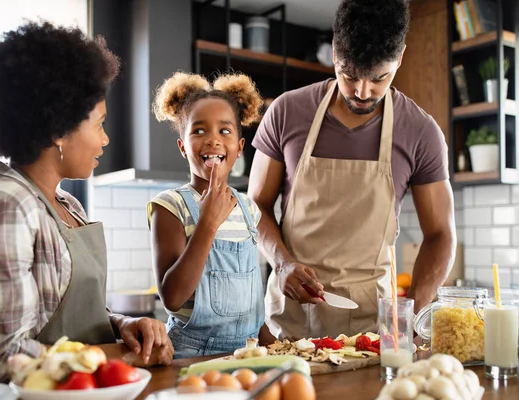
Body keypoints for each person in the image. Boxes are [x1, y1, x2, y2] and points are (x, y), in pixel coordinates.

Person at [0, 21, 173, 382]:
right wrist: (119, 358)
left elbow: (77, 319)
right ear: (59, 129)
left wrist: (122, 324)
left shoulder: (68, 206)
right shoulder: (5, 208)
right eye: (99, 124)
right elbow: (3, 355)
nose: (106, 139)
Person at [248, 0, 456, 341]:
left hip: (373, 328)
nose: (362, 92)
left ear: (400, 57)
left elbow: (441, 235)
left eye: (379, 78)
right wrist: (282, 263)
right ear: (333, 52)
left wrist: (410, 317)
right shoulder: (287, 112)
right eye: (349, 74)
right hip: (290, 320)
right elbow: (256, 206)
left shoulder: (420, 132)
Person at [148, 72, 269, 358]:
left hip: (248, 353)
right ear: (183, 147)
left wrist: (271, 340)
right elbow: (173, 298)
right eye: (199, 131)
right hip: (190, 353)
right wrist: (207, 224)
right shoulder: (170, 206)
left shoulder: (249, 209)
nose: (213, 141)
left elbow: (250, 297)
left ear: (239, 148)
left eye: (224, 131)